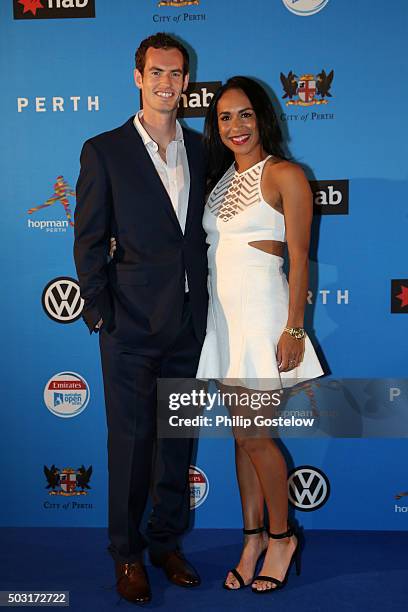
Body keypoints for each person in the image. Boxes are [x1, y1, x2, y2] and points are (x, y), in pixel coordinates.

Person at [73, 33, 208, 604]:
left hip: (190, 328)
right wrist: (104, 317)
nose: (166, 83)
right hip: (128, 329)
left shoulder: (205, 150)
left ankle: (164, 543)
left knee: (176, 444)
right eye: (156, 72)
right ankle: (126, 556)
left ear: (186, 81)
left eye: (176, 74)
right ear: (137, 77)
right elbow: (87, 243)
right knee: (129, 449)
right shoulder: (104, 150)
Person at [196, 76, 324, 593]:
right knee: (240, 437)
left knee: (254, 436)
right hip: (223, 321)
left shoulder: (286, 174)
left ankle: (281, 537)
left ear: (263, 117)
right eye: (225, 117)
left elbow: (299, 261)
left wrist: (294, 327)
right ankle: (252, 539)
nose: (235, 126)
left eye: (245, 114)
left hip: (263, 317)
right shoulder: (221, 180)